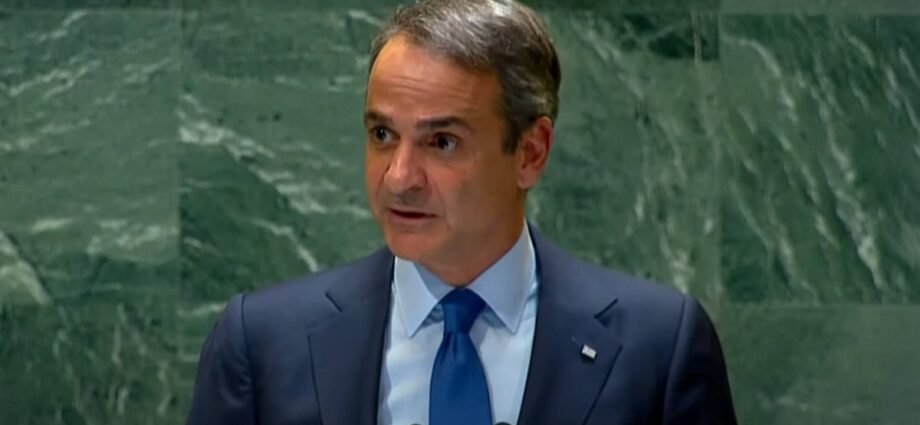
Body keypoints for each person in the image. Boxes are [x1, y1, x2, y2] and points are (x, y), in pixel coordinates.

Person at [186, 0, 738, 424]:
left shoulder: (657, 350)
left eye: (442, 142)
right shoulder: (262, 346)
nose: (399, 177)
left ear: (530, 153)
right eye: (382, 135)